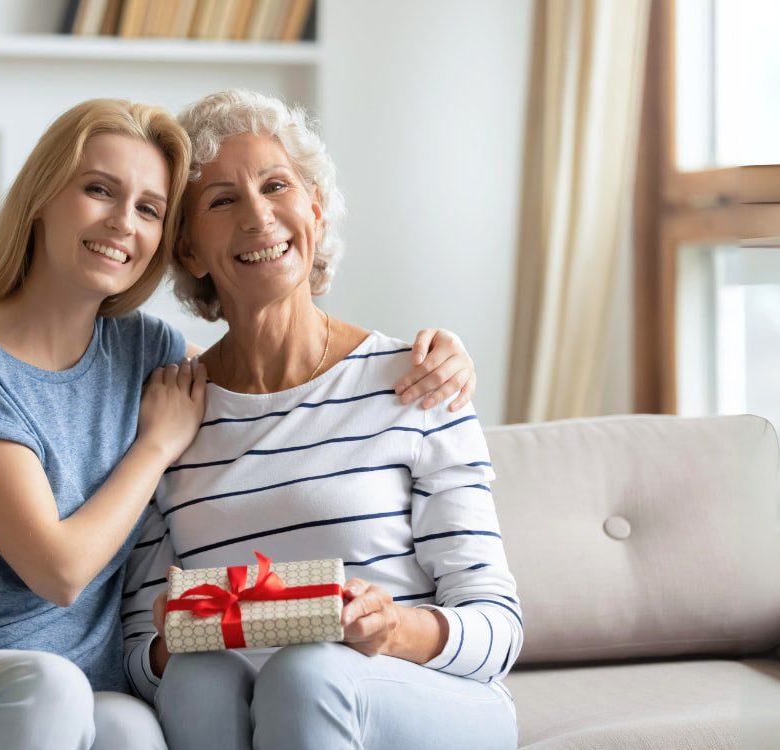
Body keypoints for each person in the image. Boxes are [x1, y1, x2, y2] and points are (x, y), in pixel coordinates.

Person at [0, 97, 483, 750]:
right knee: (48, 688)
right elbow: (60, 571)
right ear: (42, 199)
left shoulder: (147, 354)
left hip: (81, 687)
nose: (121, 224)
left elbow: (265, 377)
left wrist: (439, 358)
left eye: (148, 209)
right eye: (99, 190)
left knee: (136, 730)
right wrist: (157, 445)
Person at [121, 89, 522, 750]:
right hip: (244, 710)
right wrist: (171, 639)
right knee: (194, 679)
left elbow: (498, 628)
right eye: (222, 200)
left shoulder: (416, 378)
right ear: (189, 249)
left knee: (306, 674)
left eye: (276, 185)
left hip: (418, 695)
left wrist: (394, 628)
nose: (258, 216)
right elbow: (140, 653)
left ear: (312, 207)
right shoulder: (172, 411)